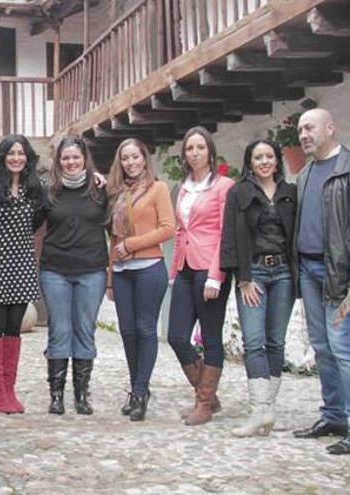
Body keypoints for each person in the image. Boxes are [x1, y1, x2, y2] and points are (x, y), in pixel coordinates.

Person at [291, 108, 350, 455]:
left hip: (341, 278)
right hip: (308, 272)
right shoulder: (304, 174)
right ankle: (332, 416)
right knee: (321, 347)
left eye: (310, 127)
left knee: (343, 346)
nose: (304, 134)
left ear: (330, 127)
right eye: (301, 129)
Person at [220, 139, 296, 437]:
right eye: (257, 157)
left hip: (283, 274)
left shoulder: (290, 193)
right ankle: (257, 410)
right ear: (249, 162)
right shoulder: (238, 192)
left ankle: (269, 411)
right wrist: (243, 278)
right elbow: (231, 236)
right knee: (254, 342)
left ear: (277, 161)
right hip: (254, 273)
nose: (264, 161)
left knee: (276, 341)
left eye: (269, 156)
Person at [167, 126, 234, 426]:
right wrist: (174, 270)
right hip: (184, 268)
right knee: (177, 335)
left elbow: (224, 233)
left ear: (210, 151)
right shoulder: (183, 187)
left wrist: (215, 276)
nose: (194, 153)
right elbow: (181, 230)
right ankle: (209, 396)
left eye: (200, 147)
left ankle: (204, 403)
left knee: (210, 336)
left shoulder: (224, 186)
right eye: (189, 148)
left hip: (209, 268)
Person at [106, 138, 175, 421]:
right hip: (122, 272)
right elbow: (114, 239)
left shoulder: (158, 189)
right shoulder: (117, 194)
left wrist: (133, 244)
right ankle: (137, 390)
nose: (131, 163)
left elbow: (168, 228)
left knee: (146, 329)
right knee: (127, 331)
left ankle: (140, 390)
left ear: (144, 159)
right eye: (125, 158)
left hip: (149, 268)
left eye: (135, 157)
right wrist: (110, 277)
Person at [39, 137, 108, 416]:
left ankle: (81, 394)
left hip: (91, 270)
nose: (70, 163)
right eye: (65, 158)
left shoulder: (100, 191)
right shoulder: (49, 192)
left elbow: (114, 226)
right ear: (59, 162)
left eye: (75, 158)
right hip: (55, 269)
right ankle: (57, 395)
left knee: (84, 329)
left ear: (84, 159)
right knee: (59, 330)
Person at [0, 135, 44, 414]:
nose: (16, 158)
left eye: (21, 153)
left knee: (14, 329)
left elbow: (39, 221)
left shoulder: (34, 189)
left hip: (22, 264)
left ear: (27, 158)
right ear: (2, 156)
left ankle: (9, 388)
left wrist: (97, 177)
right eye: (11, 153)